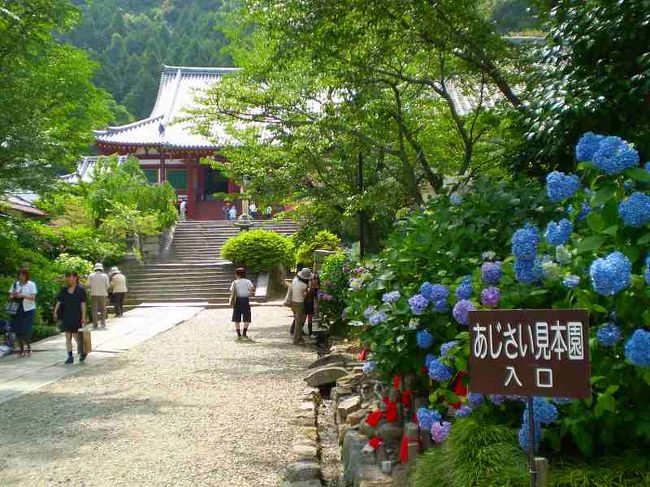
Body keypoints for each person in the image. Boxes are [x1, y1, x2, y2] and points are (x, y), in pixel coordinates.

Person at [53, 272, 87, 364]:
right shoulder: (64, 290)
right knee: (68, 336)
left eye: (70, 277)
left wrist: (83, 316)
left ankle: (83, 351)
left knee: (76, 336)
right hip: (66, 315)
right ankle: (70, 356)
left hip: (76, 315)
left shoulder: (80, 290)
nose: (68, 279)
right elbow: (59, 301)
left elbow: (83, 304)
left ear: (75, 278)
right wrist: (55, 312)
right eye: (67, 277)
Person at [8, 268, 37, 357]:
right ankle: (21, 349)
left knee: (26, 330)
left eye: (23, 275)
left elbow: (33, 297)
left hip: (28, 309)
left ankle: (28, 347)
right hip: (17, 310)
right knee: (17, 330)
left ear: (26, 275)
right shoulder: (15, 284)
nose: (21, 276)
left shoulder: (31, 284)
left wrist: (23, 295)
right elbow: (10, 296)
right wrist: (14, 295)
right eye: (20, 275)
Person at [230, 268, 254, 341]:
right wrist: (248, 293)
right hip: (245, 300)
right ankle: (244, 333)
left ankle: (238, 334)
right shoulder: (248, 281)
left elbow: (232, 291)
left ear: (237, 274)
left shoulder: (235, 282)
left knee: (236, 317)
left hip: (237, 300)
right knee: (247, 316)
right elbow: (252, 289)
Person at [290, 267, 312, 345]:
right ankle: (296, 340)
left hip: (293, 302)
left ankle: (299, 337)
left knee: (297, 320)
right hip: (300, 303)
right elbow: (305, 295)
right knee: (299, 323)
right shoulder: (304, 285)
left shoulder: (295, 280)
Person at [87, 263, 109, 328]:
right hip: (102, 294)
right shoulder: (105, 275)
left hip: (93, 294)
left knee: (94, 310)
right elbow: (107, 285)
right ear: (101, 268)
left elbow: (88, 285)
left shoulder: (91, 275)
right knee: (103, 309)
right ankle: (103, 323)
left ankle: (95, 324)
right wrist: (104, 289)